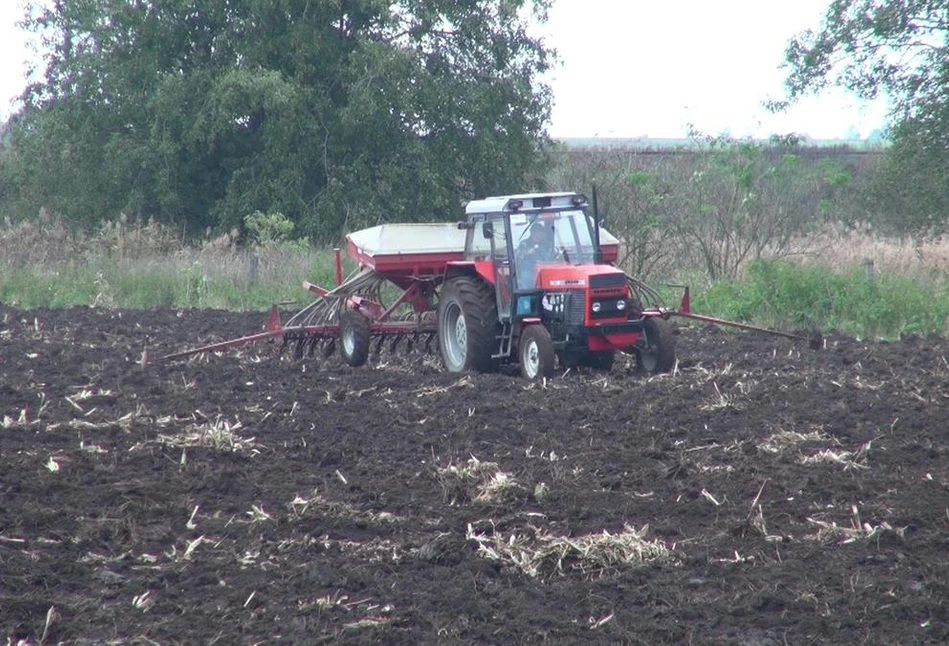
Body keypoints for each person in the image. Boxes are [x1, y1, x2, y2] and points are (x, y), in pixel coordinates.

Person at [516, 221, 557, 288]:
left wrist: (544, 263)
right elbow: (518, 257)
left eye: (540, 232)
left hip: (545, 270)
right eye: (537, 232)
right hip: (529, 271)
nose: (539, 234)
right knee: (526, 274)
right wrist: (527, 253)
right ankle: (527, 294)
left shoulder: (547, 244)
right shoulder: (524, 244)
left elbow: (552, 257)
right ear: (532, 233)